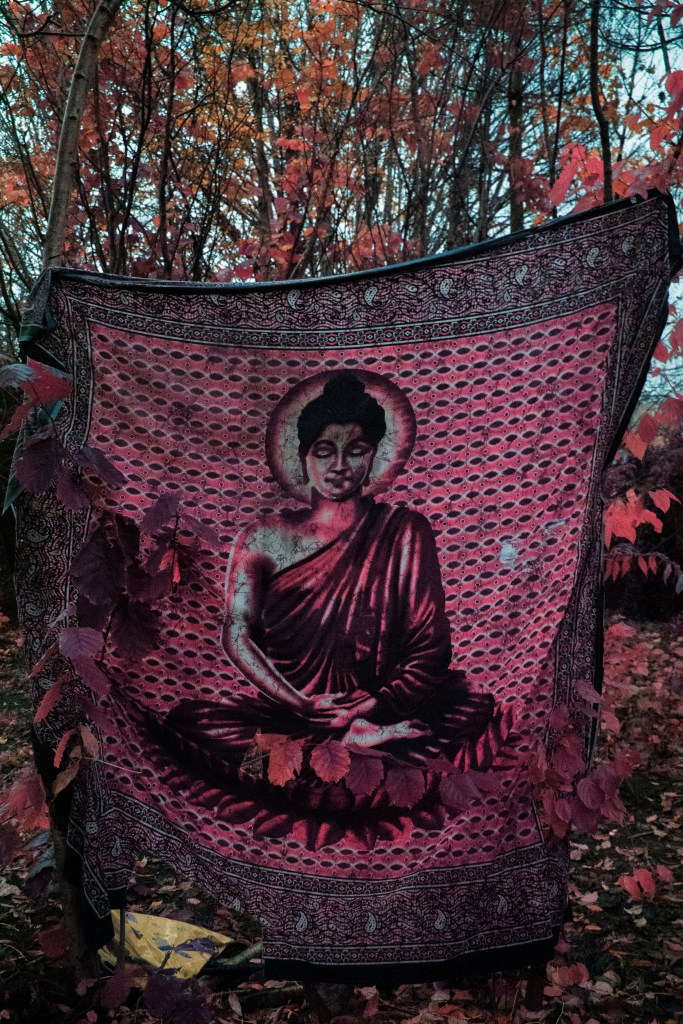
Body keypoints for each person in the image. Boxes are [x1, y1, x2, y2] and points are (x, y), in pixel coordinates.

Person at [163, 373, 499, 773]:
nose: (339, 466)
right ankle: (337, 754)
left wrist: (371, 705)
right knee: (189, 725)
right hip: (290, 711)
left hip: (379, 709)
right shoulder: (262, 538)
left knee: (475, 706)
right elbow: (237, 632)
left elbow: (430, 646)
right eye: (324, 451)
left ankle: (322, 756)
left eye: (356, 450)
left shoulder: (405, 530)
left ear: (374, 457)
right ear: (302, 458)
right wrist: (300, 703)